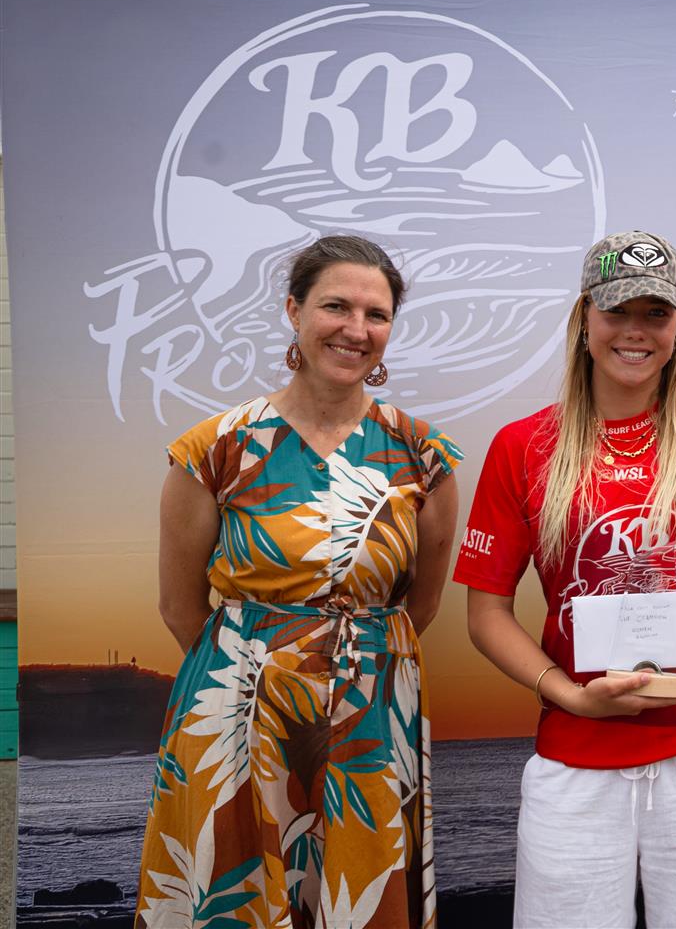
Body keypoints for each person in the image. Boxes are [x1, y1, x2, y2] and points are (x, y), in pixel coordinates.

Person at [455, 231, 676, 928]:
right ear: (584, 319)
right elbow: (485, 613)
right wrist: (571, 697)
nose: (636, 331)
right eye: (617, 311)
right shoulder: (523, 447)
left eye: (656, 314)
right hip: (575, 755)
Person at [137, 235, 462, 929]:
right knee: (241, 898)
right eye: (336, 306)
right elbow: (179, 606)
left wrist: (345, 668)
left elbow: (422, 605)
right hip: (239, 712)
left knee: (360, 897)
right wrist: (264, 670)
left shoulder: (422, 454)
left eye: (376, 314)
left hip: (372, 717)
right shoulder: (216, 448)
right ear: (294, 310)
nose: (356, 329)